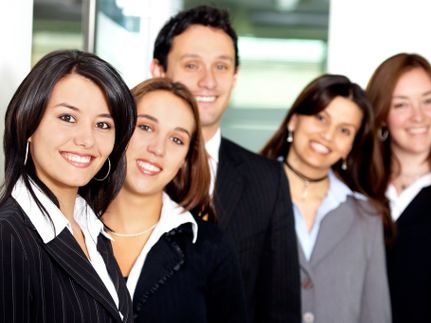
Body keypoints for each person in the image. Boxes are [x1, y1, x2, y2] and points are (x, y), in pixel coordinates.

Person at [150, 5, 300, 323]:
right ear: (159, 71)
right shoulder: (118, 167)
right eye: (192, 65)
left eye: (221, 66)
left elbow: (280, 310)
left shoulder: (268, 180)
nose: (208, 81)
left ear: (234, 78)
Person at [0, 50, 136, 322]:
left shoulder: (90, 228)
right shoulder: (7, 238)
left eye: (103, 124)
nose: (87, 139)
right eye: (67, 118)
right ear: (27, 123)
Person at [102, 77, 248, 323]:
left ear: (185, 160)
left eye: (177, 139)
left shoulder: (211, 248)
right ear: (120, 128)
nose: (158, 149)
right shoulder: (65, 229)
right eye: (146, 127)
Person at [261, 74, 391, 323]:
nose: (327, 135)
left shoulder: (367, 216)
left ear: (351, 145)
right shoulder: (248, 196)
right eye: (321, 118)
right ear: (293, 120)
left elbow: (375, 313)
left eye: (344, 130)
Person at [366, 53, 431, 322]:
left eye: (428, 101)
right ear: (380, 117)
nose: (418, 116)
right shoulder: (354, 191)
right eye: (401, 105)